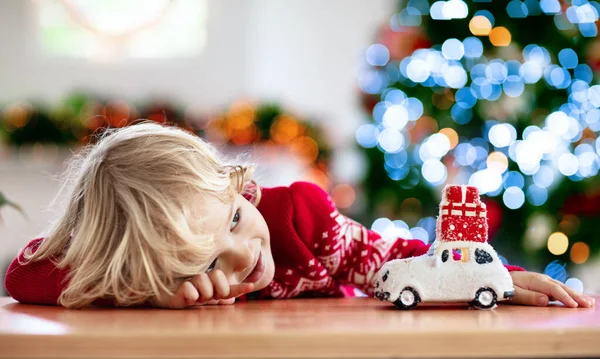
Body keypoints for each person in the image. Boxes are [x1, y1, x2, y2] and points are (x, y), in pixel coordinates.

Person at [4, 123, 595, 309]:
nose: (244, 256)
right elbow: (24, 275)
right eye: (207, 259)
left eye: (233, 220)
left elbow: (396, 262)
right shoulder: (147, 274)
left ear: (243, 190)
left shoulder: (302, 218)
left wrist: (490, 278)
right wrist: (145, 289)